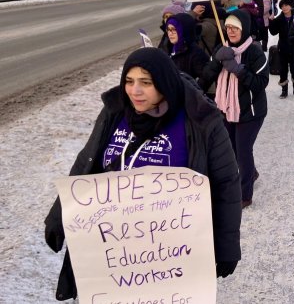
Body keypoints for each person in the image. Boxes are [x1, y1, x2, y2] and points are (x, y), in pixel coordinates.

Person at [44, 48, 243, 301]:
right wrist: (59, 213)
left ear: (164, 83)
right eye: (129, 81)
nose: (134, 91)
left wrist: (227, 245)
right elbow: (87, 163)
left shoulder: (201, 121)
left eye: (146, 83)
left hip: (169, 254)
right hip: (111, 251)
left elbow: (227, 183)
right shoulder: (114, 113)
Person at [203, 10, 269, 208]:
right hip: (227, 108)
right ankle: (252, 173)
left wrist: (238, 70)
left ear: (244, 29)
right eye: (228, 27)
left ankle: (244, 195)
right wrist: (217, 60)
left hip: (251, 112)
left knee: (243, 151)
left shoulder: (255, 52)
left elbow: (260, 83)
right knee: (231, 149)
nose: (230, 31)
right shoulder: (222, 48)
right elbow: (207, 76)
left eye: (235, 27)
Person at [164, 13, 210, 88]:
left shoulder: (195, 53)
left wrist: (190, 93)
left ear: (183, 30)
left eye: (174, 29)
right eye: (168, 29)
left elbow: (205, 79)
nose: (170, 33)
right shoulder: (168, 47)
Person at [269, 0, 294, 98]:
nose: (284, 8)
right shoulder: (279, 19)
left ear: (291, 6)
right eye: (282, 6)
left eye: (286, 5)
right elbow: (273, 32)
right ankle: (284, 90)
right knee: (283, 69)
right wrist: (271, 22)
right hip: (283, 47)